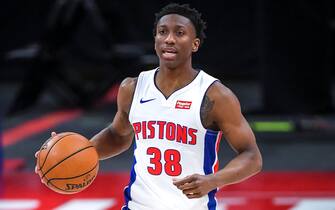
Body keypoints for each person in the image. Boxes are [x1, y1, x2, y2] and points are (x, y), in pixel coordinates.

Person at [36, 3, 262, 210]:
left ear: (195, 44)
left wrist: (214, 180)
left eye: (179, 33)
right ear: (155, 39)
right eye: (163, 32)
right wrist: (69, 153)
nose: (169, 39)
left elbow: (252, 156)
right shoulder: (133, 88)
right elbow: (118, 135)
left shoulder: (214, 95)